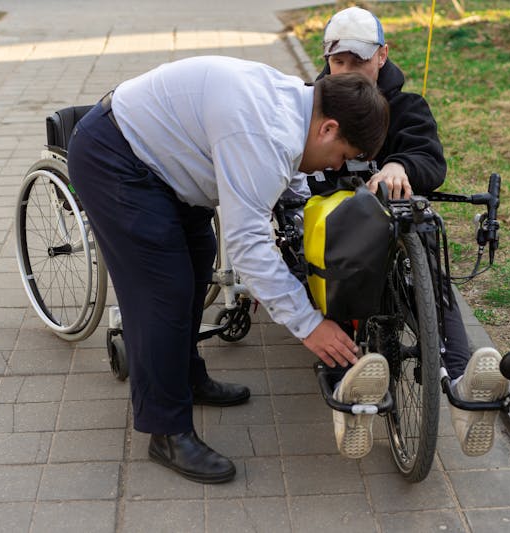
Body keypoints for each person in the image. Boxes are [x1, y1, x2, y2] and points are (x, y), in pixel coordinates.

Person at [66, 56, 391, 484]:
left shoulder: (299, 104)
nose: (334, 168)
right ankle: (165, 430)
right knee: (162, 292)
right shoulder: (262, 131)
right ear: (328, 128)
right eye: (341, 157)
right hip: (116, 157)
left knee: (198, 260)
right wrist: (309, 326)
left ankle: (185, 379)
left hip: (164, 163)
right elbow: (249, 246)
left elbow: (282, 168)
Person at [313, 6, 508, 459]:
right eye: (336, 62)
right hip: (336, 233)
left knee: (427, 240)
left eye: (357, 61)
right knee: (327, 250)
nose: (346, 72)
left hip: (394, 227)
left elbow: (430, 159)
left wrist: (400, 164)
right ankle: (346, 386)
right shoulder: (315, 101)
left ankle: (462, 385)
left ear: (382, 56)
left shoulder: (405, 106)